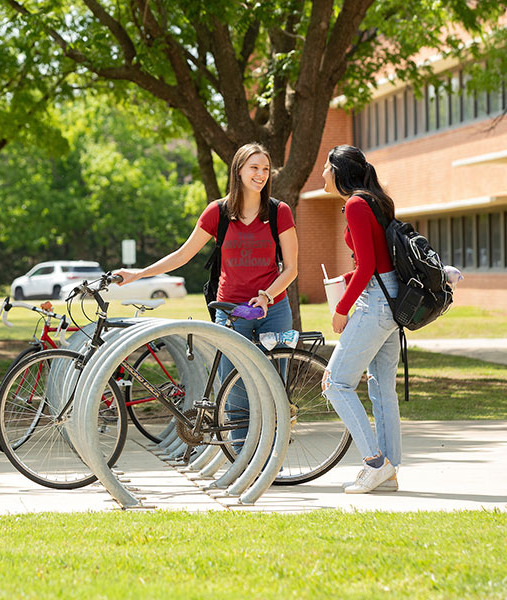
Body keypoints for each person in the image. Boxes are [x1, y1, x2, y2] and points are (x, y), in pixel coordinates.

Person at [115, 142, 299, 447]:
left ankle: (271, 460)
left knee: (274, 390)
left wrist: (266, 296)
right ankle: (243, 462)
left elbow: (291, 269)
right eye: (254, 167)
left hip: (273, 309)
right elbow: (183, 255)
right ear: (238, 171)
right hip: (230, 311)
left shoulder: (279, 212)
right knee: (234, 393)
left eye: (265, 169)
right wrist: (138, 274)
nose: (261, 174)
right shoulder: (219, 212)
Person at [319, 144, 401, 494]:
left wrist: (341, 309)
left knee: (335, 383)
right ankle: (390, 471)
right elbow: (378, 262)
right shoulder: (376, 200)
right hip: (394, 302)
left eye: (326, 167)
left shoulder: (354, 203)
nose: (322, 174)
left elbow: (368, 266)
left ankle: (374, 463)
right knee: (382, 389)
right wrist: (346, 281)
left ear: (338, 171)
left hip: (375, 304)